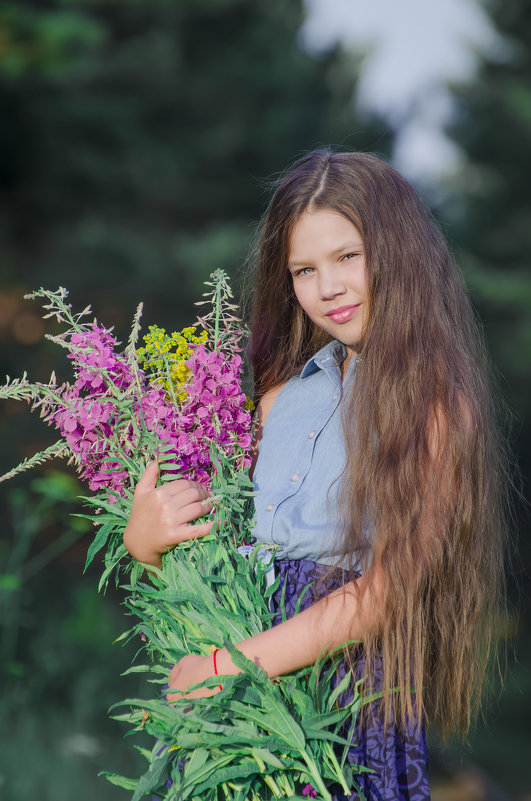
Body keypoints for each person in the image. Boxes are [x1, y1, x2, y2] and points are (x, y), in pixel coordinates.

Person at [123, 150, 509, 800]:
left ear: (399, 252)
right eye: (303, 268)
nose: (326, 285)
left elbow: (388, 591)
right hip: (239, 686)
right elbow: (221, 560)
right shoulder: (277, 398)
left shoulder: (437, 408)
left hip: (337, 702)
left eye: (346, 257)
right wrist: (146, 541)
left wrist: (228, 666)